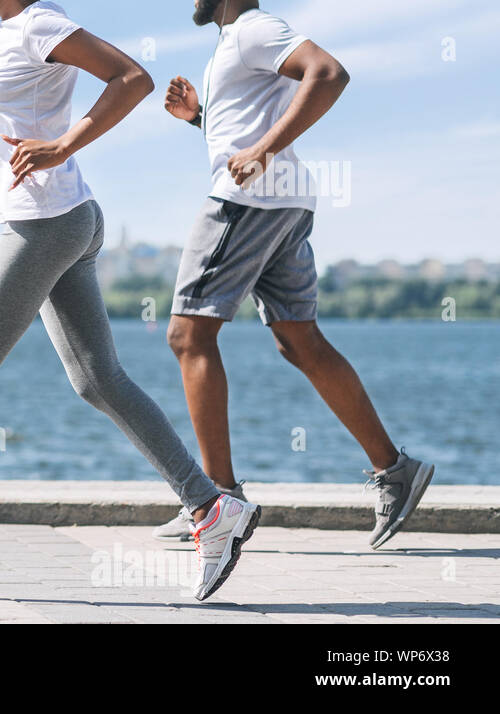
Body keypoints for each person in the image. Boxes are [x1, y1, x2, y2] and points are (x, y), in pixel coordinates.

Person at [0, 0, 259, 601]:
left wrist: (65, 144)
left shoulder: (40, 21)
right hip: (62, 218)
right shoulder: (10, 34)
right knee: (97, 378)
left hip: (44, 224)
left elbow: (133, 78)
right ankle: (209, 506)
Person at [152, 0, 434, 549]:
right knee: (299, 341)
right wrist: (201, 119)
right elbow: (250, 121)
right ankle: (394, 468)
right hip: (284, 202)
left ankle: (217, 502)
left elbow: (329, 73)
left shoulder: (253, 29)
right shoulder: (238, 38)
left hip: (247, 203)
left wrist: (260, 150)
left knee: (188, 335)